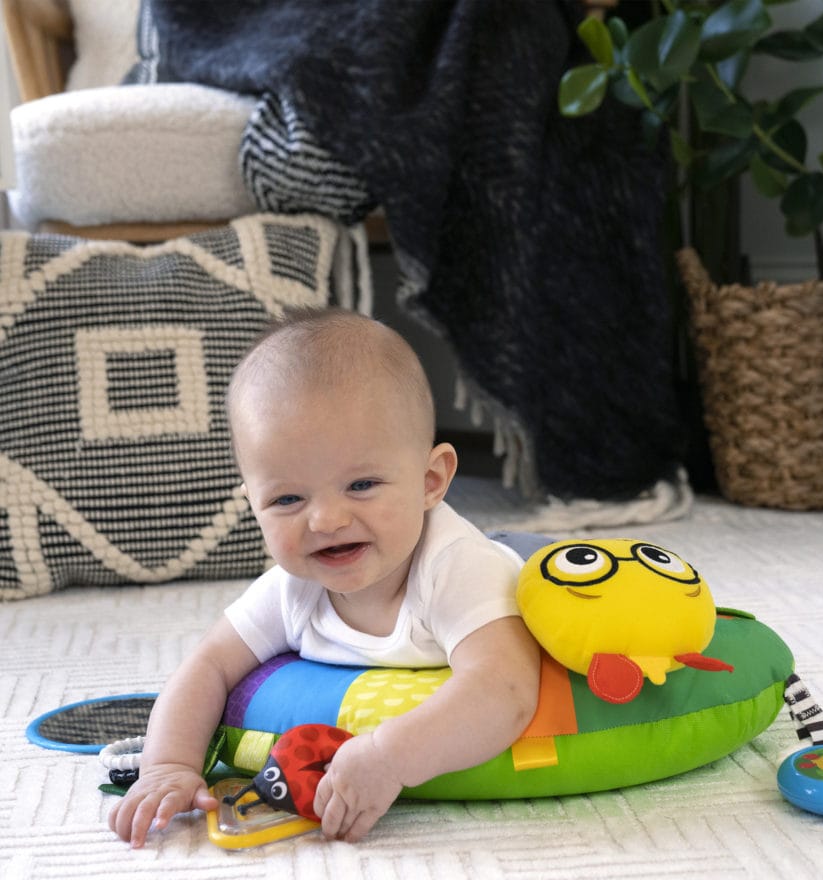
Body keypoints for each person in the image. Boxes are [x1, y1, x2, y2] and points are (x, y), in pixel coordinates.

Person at [108, 308, 541, 846]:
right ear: (254, 505)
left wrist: (389, 756)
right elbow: (208, 665)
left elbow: (506, 687)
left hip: (517, 562)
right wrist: (168, 765)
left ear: (431, 480)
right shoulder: (292, 588)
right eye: (287, 499)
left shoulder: (456, 567)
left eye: (361, 485)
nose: (327, 520)